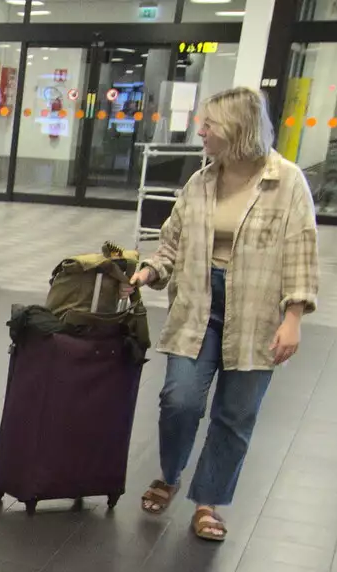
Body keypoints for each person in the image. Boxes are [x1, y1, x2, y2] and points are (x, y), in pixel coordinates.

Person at [131, 87, 318, 542]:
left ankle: (208, 501)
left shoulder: (287, 181)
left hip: (257, 312)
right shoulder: (200, 181)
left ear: (236, 129)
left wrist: (293, 316)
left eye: (209, 124)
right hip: (198, 303)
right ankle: (171, 473)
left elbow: (301, 250)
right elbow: (172, 240)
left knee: (235, 415)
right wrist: (151, 269)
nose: (201, 130)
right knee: (180, 400)